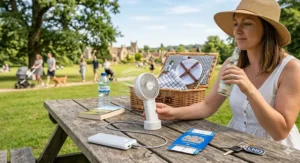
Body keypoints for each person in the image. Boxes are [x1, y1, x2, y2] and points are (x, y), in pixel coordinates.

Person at [155, 0, 300, 150]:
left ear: (267, 29)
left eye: (247, 23)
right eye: (236, 23)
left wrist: (249, 89)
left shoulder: (291, 68)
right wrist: (172, 113)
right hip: (236, 144)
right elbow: (207, 106)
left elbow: (280, 132)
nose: (237, 31)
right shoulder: (232, 63)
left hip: (276, 150)